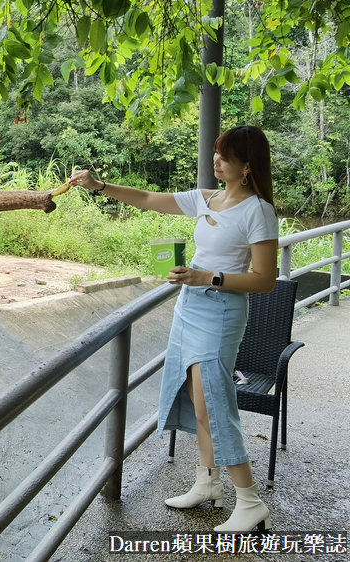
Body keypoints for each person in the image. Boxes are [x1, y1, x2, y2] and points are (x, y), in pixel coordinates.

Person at [69, 125, 279, 533]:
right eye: (216, 153)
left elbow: (265, 279)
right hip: (190, 308)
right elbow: (148, 199)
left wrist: (207, 278)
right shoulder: (207, 199)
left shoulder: (258, 211)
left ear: (247, 166)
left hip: (220, 313)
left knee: (215, 405)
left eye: (224, 156)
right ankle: (207, 483)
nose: (215, 160)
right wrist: (99, 186)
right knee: (195, 399)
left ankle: (250, 501)